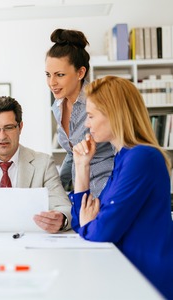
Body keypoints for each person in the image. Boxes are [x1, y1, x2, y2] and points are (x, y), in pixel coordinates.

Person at [71, 76, 173, 299]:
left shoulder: (142, 158)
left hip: (147, 281)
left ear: (113, 114)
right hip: (127, 275)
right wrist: (81, 167)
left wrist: (92, 224)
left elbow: (103, 230)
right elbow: (81, 225)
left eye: (91, 116)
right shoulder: (123, 158)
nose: (87, 124)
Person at [0, 96, 72, 233]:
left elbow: (64, 207)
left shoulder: (43, 164)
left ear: (20, 127)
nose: (2, 136)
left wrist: (61, 219)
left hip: (28, 244)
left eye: (8, 127)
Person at [45, 28, 114, 197]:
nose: (52, 82)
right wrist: (57, 189)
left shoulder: (99, 100)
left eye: (59, 75)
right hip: (82, 190)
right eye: (48, 75)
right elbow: (72, 152)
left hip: (107, 190)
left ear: (80, 72)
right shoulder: (57, 105)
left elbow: (123, 149)